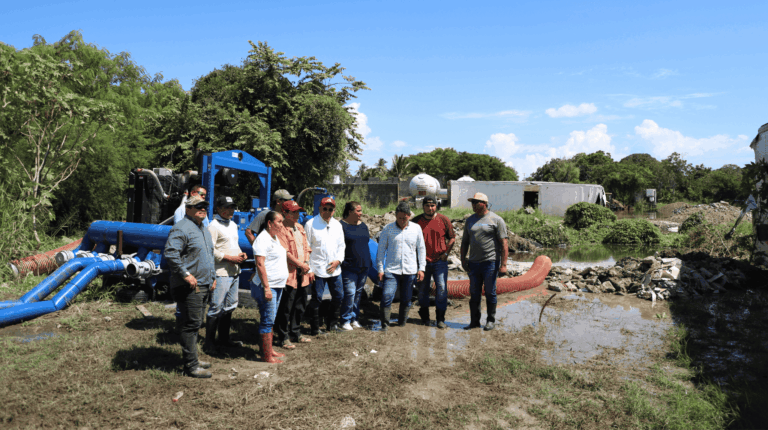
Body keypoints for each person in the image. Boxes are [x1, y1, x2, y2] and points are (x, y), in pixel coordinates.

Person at [164, 195, 217, 378]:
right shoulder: (181, 228)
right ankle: (191, 366)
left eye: (204, 206)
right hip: (190, 286)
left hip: (204, 283)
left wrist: (213, 277)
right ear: (188, 209)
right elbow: (171, 254)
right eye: (198, 206)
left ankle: (192, 358)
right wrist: (186, 275)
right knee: (190, 324)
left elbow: (208, 256)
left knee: (196, 323)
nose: (202, 208)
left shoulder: (203, 229)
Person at [204, 195, 248, 354]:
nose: (231, 210)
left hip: (235, 271)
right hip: (221, 272)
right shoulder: (213, 226)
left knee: (230, 305)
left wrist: (241, 254)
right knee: (216, 306)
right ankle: (209, 343)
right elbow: (210, 249)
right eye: (227, 207)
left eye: (232, 207)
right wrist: (227, 257)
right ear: (218, 209)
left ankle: (223, 338)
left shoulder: (233, 225)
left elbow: (233, 244)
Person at [459, 192, 509, 331]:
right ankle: (474, 322)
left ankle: (490, 320)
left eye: (476, 202)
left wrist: (503, 265)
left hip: (490, 262)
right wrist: (463, 260)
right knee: (474, 293)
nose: (473, 205)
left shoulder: (496, 220)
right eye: (472, 202)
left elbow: (504, 243)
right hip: (474, 264)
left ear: (485, 204)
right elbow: (464, 242)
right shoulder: (470, 220)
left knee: (490, 292)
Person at [376, 201, 426, 331]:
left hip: (410, 270)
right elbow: (381, 250)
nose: (402, 221)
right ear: (395, 216)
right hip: (392, 270)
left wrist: (422, 268)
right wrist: (380, 269)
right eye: (399, 218)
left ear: (409, 215)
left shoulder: (416, 228)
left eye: (405, 218)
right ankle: (385, 324)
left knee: (407, 298)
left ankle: (401, 323)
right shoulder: (388, 229)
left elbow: (421, 249)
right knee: (387, 296)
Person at [273, 200, 314, 348]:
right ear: (284, 213)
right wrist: (300, 264)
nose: (297, 215)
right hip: (289, 273)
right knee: (286, 306)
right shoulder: (281, 229)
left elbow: (306, 248)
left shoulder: (300, 227)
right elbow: (285, 252)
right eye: (293, 212)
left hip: (302, 272)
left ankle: (295, 332)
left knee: (300, 304)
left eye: (298, 212)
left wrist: (307, 264)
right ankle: (283, 336)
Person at [250, 211, 289, 363]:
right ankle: (266, 356)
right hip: (268, 286)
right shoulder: (262, 239)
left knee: (270, 319)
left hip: (277, 285)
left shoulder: (274, 238)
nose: (281, 224)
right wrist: (266, 287)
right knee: (267, 320)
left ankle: (269, 349)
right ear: (269, 223)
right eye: (279, 221)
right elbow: (260, 264)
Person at [412, 196, 455, 329]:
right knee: (423, 291)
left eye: (433, 206)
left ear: (436, 206)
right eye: (427, 206)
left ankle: (440, 319)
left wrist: (446, 253)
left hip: (439, 262)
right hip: (422, 262)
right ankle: (425, 318)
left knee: (441, 289)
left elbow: (452, 238)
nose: (430, 208)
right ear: (423, 206)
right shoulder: (416, 221)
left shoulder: (443, 219)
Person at [305, 197, 346, 334]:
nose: (328, 211)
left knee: (338, 296)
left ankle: (332, 325)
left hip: (335, 269)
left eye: (330, 209)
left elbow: (342, 246)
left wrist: (338, 261)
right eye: (325, 208)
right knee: (316, 298)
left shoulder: (337, 225)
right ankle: (315, 328)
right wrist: (309, 269)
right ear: (319, 209)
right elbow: (306, 248)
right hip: (318, 269)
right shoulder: (311, 224)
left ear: (334, 211)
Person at [340, 201, 372, 330]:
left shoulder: (363, 225)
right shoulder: (342, 226)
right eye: (358, 211)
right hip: (349, 266)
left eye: (361, 210)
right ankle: (345, 320)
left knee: (358, 294)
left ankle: (354, 318)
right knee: (349, 293)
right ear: (350, 212)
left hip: (364, 266)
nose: (361, 213)